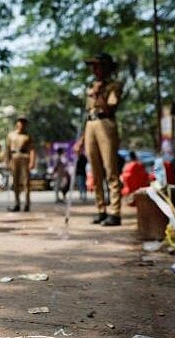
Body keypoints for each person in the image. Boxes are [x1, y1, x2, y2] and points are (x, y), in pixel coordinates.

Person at [74, 52, 123, 226]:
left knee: (110, 169)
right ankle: (100, 208)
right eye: (93, 66)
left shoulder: (113, 86)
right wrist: (80, 139)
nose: (94, 69)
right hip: (91, 126)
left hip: (106, 124)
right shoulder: (91, 86)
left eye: (98, 65)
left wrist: (98, 95)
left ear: (107, 67)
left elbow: (110, 108)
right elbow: (88, 114)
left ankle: (115, 211)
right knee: (95, 171)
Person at [6, 117, 35, 212]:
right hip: (14, 157)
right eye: (20, 122)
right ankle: (17, 203)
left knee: (26, 182)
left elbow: (32, 149)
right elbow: (7, 150)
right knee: (15, 183)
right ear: (17, 123)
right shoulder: (11, 135)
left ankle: (27, 203)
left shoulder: (27, 136)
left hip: (24, 157)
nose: (22, 124)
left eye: (24, 122)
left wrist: (32, 161)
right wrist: (7, 161)